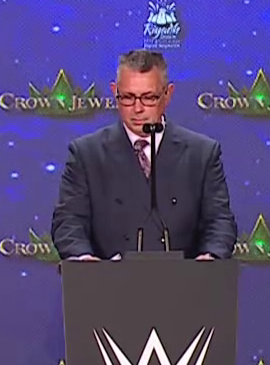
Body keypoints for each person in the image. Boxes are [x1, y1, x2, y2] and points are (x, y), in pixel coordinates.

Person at [51, 49, 237, 261]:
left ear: (167, 94)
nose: (137, 109)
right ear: (114, 92)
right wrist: (82, 257)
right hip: (109, 280)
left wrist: (211, 257)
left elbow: (219, 220)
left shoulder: (201, 154)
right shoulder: (86, 154)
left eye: (149, 98)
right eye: (128, 97)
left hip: (184, 280)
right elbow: (69, 220)